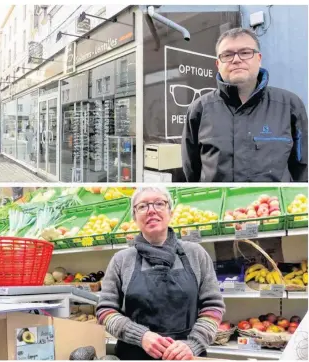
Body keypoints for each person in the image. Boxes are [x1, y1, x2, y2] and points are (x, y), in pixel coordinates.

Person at [96, 187, 225, 360]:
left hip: (185, 357)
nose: (151, 210)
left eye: (159, 203)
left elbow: (213, 307)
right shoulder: (121, 260)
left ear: (170, 213)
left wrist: (193, 344)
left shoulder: (196, 254)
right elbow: (105, 311)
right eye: (142, 206)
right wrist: (141, 336)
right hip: (133, 354)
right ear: (134, 217)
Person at [181, 27, 308, 182]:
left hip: (273, 205)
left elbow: (303, 168)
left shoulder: (289, 106)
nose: (236, 59)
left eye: (245, 52)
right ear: (218, 64)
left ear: (259, 58)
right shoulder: (199, 109)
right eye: (227, 55)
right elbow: (192, 170)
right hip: (218, 204)